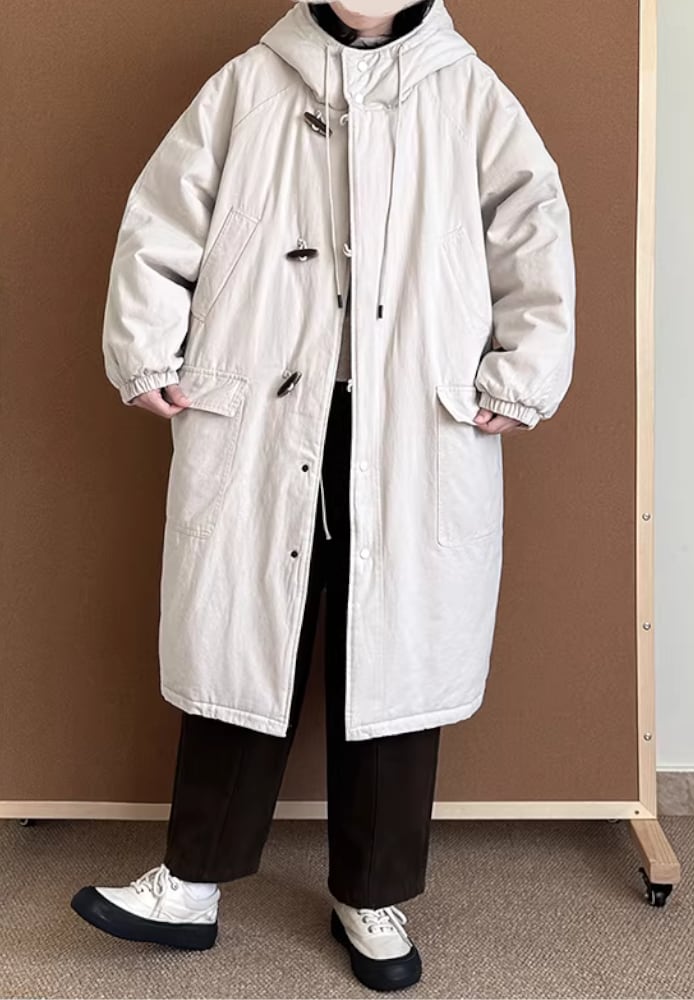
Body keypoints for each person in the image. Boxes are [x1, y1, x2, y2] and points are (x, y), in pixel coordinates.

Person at [71, 0, 575, 991]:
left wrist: (524, 372)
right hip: (263, 411)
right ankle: (192, 882)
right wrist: (145, 346)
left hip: (417, 421)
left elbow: (534, 233)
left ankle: (372, 892)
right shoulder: (248, 85)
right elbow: (163, 214)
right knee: (239, 630)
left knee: (395, 648)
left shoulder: (471, 95)